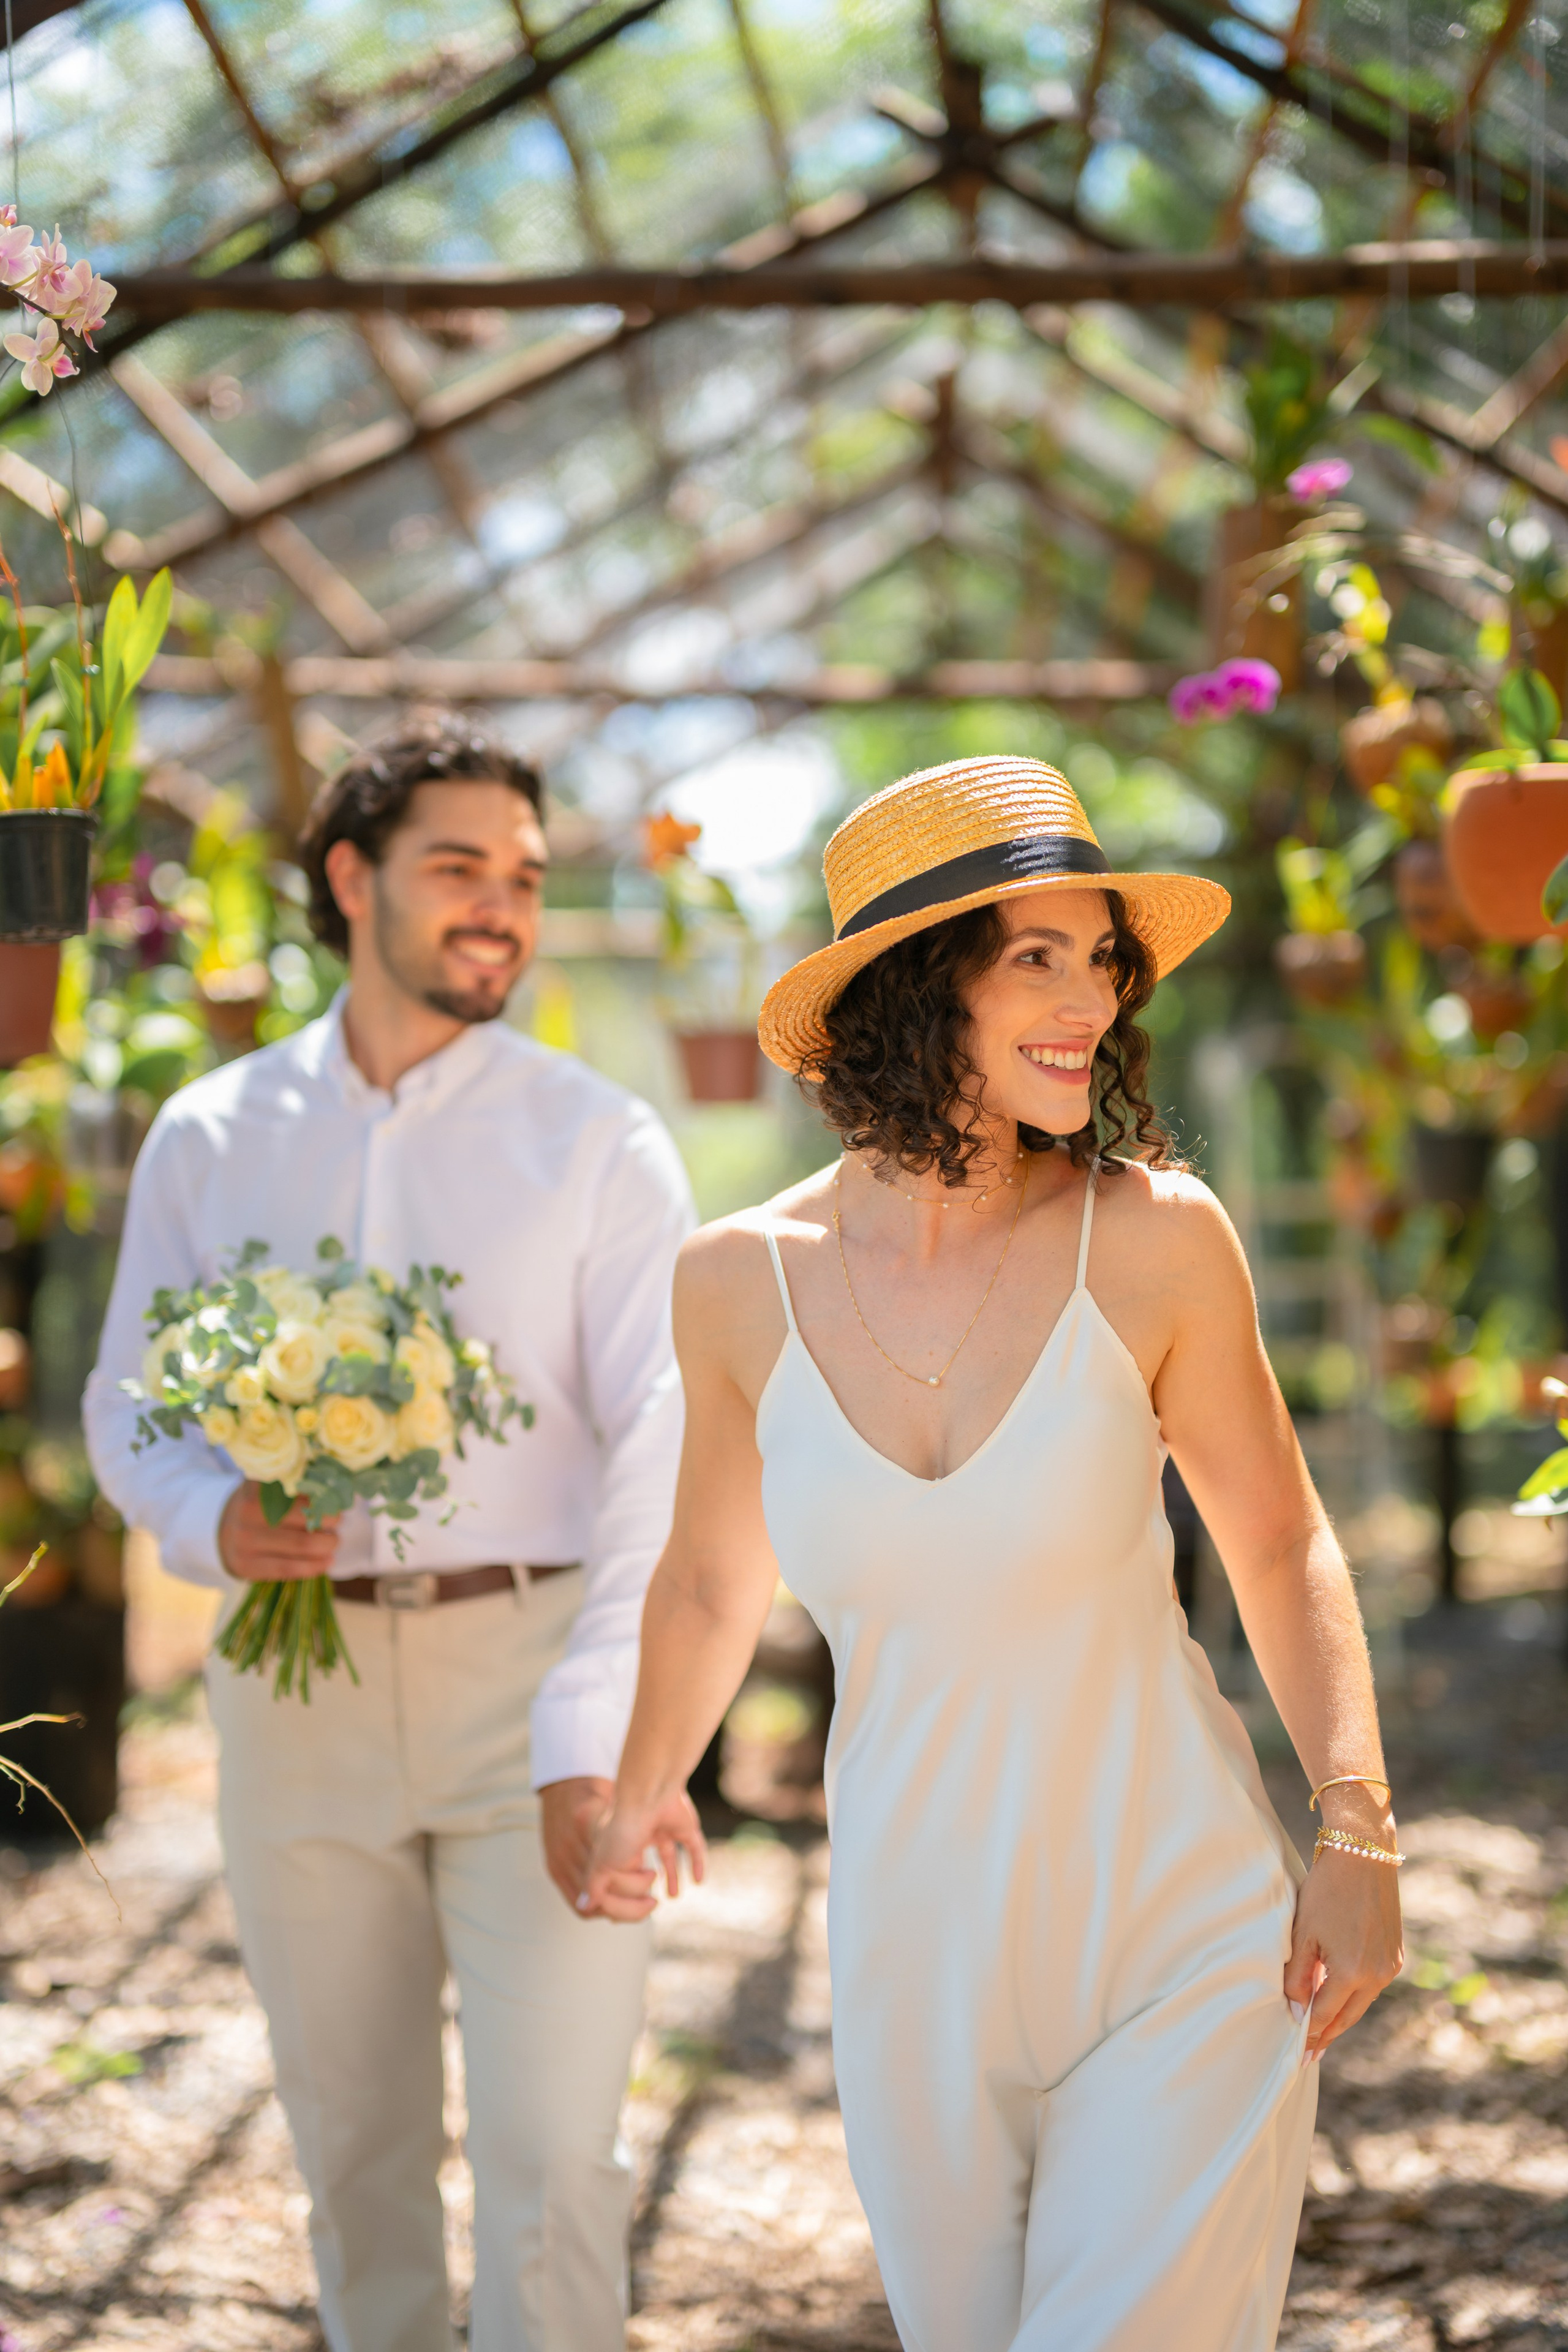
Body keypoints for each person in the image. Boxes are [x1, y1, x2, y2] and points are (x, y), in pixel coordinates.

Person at [582, 756, 1404, 2352]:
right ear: (915, 986)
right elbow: (707, 1578)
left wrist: (1358, 1824)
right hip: (915, 1957)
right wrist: (640, 1788)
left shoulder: (1159, 1238)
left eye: (1102, 959)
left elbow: (1279, 1533)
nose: (1090, 1000)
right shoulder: (736, 1282)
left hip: (1183, 1930)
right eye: (1038, 956)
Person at [85, 718, 694, 2352]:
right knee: (354, 2163)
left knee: (556, 2163)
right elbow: (130, 1405)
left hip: (539, 1688)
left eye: (526, 879)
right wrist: (212, 1519)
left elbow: (666, 1442)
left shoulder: (601, 1142)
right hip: (298, 1701)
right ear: (352, 879)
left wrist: (608, 1725)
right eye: (459, 868)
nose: (502, 907)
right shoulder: (210, 1136)